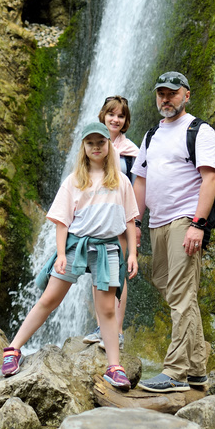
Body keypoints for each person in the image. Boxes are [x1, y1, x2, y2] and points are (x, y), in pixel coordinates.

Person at [2, 122, 139, 391]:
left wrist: (132, 253)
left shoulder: (121, 181)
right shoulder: (74, 180)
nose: (96, 147)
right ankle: (13, 349)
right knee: (50, 298)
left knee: (108, 309)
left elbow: (131, 220)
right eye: (90, 143)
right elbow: (62, 222)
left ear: (109, 145)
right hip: (76, 245)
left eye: (101, 142)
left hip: (108, 247)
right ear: (84, 148)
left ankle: (114, 366)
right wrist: (61, 254)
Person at [132, 71, 215, 393]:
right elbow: (140, 180)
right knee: (167, 286)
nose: (166, 99)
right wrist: (136, 223)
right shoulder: (152, 134)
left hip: (185, 219)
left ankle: (175, 372)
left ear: (186, 95)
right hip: (157, 222)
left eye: (172, 93)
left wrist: (198, 224)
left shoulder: (200, 131)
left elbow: (209, 179)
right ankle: (197, 368)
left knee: (182, 295)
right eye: (161, 93)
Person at [83, 96, 139, 349]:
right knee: (97, 272)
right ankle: (100, 327)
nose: (115, 119)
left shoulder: (131, 154)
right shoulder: (93, 146)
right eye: (111, 114)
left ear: (125, 121)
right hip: (95, 220)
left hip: (119, 222)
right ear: (103, 116)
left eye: (120, 116)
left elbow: (137, 192)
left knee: (117, 273)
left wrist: (136, 225)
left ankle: (116, 330)